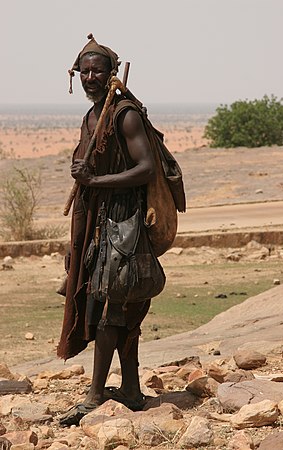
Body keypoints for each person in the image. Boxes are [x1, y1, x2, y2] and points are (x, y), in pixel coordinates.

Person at [57, 34, 157, 426]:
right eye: (84, 70)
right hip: (98, 226)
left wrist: (96, 182)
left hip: (124, 224)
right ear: (76, 75)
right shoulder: (92, 114)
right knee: (116, 309)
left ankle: (96, 396)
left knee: (113, 309)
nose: (90, 76)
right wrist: (77, 244)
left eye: (98, 70)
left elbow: (146, 168)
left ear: (112, 73)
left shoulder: (124, 113)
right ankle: (130, 390)